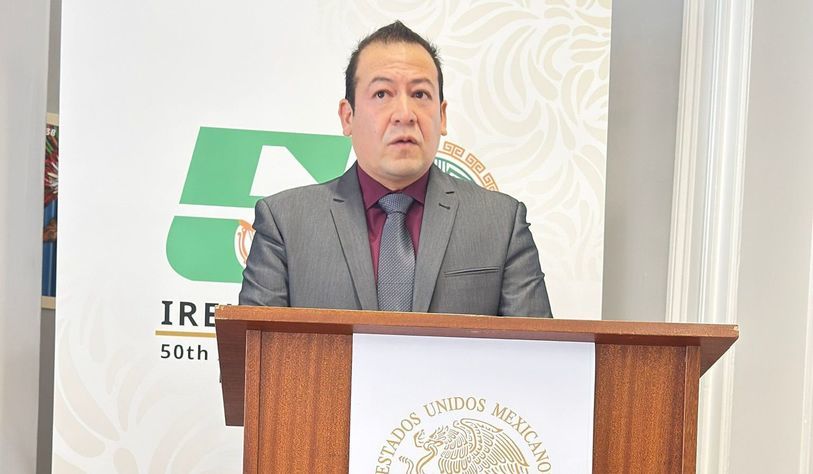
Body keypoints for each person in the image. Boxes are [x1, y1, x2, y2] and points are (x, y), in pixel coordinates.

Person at [239, 21, 552, 317]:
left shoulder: (501, 223)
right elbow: (257, 359)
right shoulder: (286, 223)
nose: (405, 114)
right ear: (347, 116)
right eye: (381, 94)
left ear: (442, 116)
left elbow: (540, 361)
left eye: (420, 94)